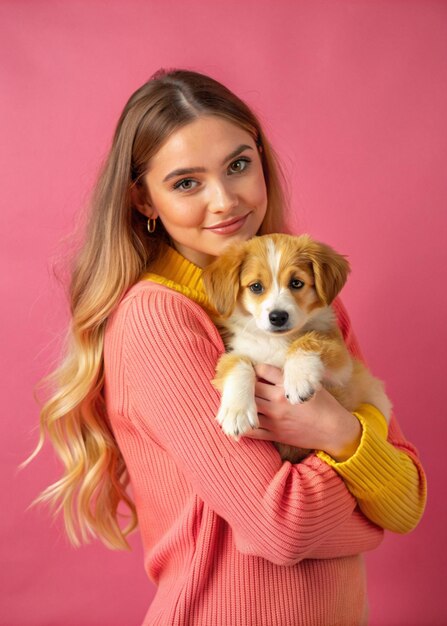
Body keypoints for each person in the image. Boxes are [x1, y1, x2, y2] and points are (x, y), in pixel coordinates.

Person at [31, 68, 426, 626]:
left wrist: (339, 434)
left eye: (238, 165)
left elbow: (408, 500)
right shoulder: (157, 319)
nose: (225, 201)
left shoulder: (308, 305)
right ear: (143, 199)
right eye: (186, 182)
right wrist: (369, 502)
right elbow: (283, 526)